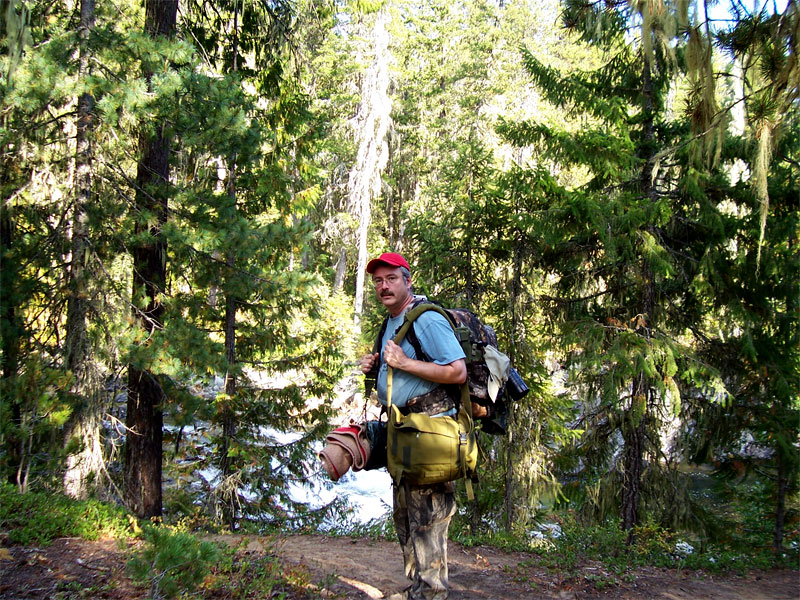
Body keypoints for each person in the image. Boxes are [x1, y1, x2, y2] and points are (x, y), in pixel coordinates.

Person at [360, 252, 467, 600]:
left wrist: (405, 363)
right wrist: (375, 366)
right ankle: (417, 589)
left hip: (430, 433)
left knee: (428, 519)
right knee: (406, 517)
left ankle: (431, 593)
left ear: (408, 281)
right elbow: (400, 369)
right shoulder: (393, 320)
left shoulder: (427, 319)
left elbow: (457, 371)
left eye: (391, 278)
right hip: (404, 431)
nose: (384, 286)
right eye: (378, 281)